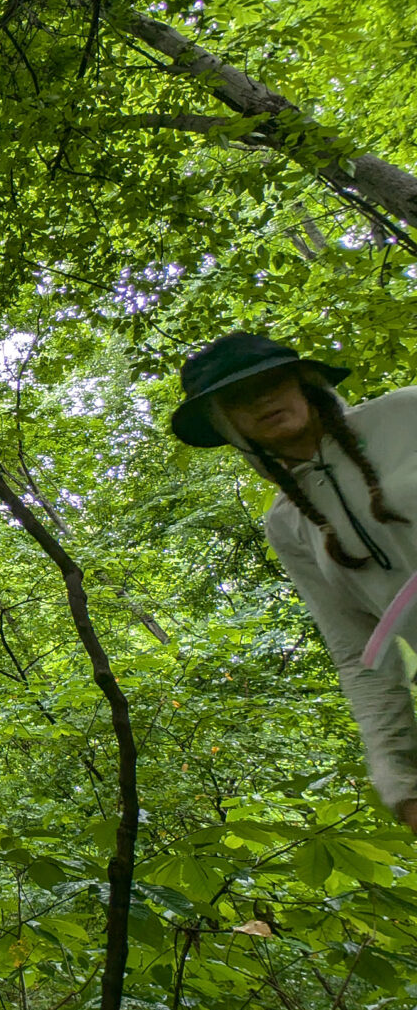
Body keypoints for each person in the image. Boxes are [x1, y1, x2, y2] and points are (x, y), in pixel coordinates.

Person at [169, 332, 417, 829]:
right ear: (225, 423)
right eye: (236, 397)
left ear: (305, 382)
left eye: (270, 382)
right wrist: (401, 783)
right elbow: (360, 654)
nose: (260, 399)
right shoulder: (287, 523)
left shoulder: (407, 414)